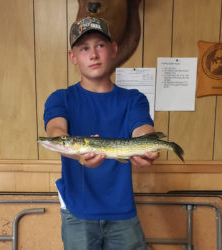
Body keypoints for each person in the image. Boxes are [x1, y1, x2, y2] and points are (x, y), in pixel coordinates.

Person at [43, 17, 159, 250]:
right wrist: (76, 154)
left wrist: (146, 147)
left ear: (114, 49)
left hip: (123, 212)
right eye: (84, 48)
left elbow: (143, 129)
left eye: (100, 45)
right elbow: (56, 130)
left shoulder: (133, 99)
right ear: (73, 57)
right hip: (78, 212)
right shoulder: (61, 98)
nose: (93, 54)